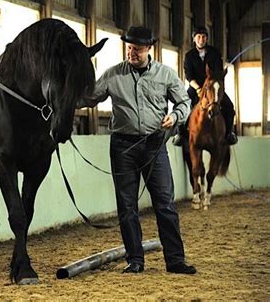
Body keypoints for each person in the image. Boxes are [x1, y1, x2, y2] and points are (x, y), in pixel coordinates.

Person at [80, 26, 196, 274]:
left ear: (149, 49)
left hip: (155, 146)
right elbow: (88, 98)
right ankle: (135, 260)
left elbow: (185, 102)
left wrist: (175, 116)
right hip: (123, 147)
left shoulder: (165, 75)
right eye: (130, 48)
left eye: (137, 49)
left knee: (164, 204)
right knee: (127, 205)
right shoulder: (113, 75)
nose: (132, 53)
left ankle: (175, 261)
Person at [172, 25, 238, 146]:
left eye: (203, 37)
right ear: (194, 39)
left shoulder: (215, 53)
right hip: (196, 87)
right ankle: (180, 134)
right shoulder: (189, 56)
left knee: (229, 106)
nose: (201, 39)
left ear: (206, 39)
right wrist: (197, 88)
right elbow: (189, 76)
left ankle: (229, 133)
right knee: (182, 104)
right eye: (199, 37)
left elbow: (218, 73)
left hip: (212, 87)